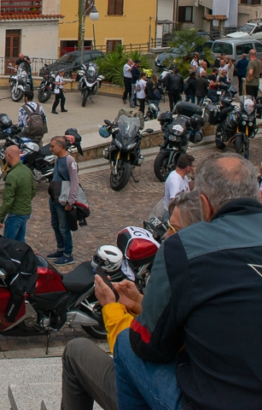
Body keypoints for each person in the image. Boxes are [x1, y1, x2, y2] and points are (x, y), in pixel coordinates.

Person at [112, 154, 262, 410]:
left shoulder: (183, 247)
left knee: (127, 343)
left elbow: (150, 346)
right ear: (255, 193)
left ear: (204, 205)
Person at [60, 190, 204, 410]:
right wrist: (140, 304)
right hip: (195, 382)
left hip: (178, 395)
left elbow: (132, 349)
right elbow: (174, 332)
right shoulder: (214, 276)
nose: (165, 236)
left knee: (75, 351)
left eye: (173, 229)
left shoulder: (184, 279)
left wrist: (111, 308)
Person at [48, 135, 82, 265]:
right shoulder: (57, 160)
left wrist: (71, 202)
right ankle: (60, 249)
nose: (50, 149)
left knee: (64, 228)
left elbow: (74, 183)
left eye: (52, 146)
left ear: (60, 146)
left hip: (63, 201)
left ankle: (68, 254)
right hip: (54, 199)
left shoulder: (70, 161)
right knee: (55, 225)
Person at [0, 145, 35, 242]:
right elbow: (33, 190)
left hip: (15, 214)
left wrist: (0, 217)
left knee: (8, 243)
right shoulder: (27, 170)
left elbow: (8, 200)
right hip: (25, 212)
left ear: (9, 156)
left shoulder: (12, 175)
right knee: (20, 242)